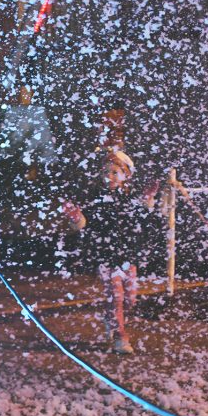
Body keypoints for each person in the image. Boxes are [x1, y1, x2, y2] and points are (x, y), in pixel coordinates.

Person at [76, 147, 146, 354]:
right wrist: (77, 218)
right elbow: (85, 224)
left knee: (129, 299)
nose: (109, 176)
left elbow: (141, 221)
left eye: (115, 172)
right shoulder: (96, 196)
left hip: (127, 255)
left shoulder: (131, 197)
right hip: (105, 254)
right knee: (115, 295)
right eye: (106, 172)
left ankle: (111, 320)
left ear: (126, 175)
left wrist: (148, 203)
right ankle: (119, 336)